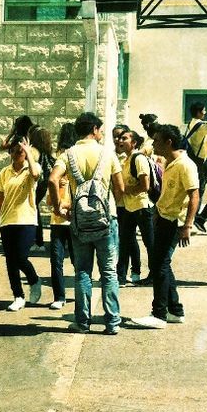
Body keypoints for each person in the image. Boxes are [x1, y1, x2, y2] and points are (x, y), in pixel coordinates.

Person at [49, 111, 124, 335]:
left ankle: (82, 322)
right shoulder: (107, 154)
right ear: (94, 129)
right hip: (106, 219)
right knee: (109, 272)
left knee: (82, 271)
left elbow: (53, 179)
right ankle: (112, 322)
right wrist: (111, 203)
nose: (101, 134)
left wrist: (58, 208)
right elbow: (120, 189)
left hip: (79, 222)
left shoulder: (68, 154)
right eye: (100, 130)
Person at [131, 124, 200, 329]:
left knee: (159, 265)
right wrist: (157, 211)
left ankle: (159, 314)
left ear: (169, 142)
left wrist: (187, 225)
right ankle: (175, 310)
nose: (153, 144)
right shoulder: (170, 162)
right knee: (162, 264)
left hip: (174, 222)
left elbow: (194, 195)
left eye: (157, 141)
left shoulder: (185, 165)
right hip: (163, 218)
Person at [0, 135, 42, 312]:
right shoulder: (5, 172)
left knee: (20, 258)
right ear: (10, 153)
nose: (19, 154)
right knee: (10, 262)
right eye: (16, 151)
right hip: (7, 221)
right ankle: (18, 296)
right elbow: (0, 198)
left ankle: (34, 280)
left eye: (22, 151)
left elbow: (36, 175)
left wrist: (29, 153)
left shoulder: (32, 168)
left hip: (27, 220)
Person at [117, 128, 155, 286]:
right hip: (129, 207)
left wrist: (125, 190)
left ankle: (155, 274)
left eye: (124, 138)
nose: (120, 141)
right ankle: (120, 276)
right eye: (120, 138)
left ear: (134, 143)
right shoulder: (126, 159)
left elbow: (145, 185)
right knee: (124, 241)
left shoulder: (138, 159)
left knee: (149, 242)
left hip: (141, 207)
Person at [47, 121, 76, 311]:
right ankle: (60, 296)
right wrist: (60, 206)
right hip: (59, 220)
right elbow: (50, 200)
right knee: (57, 260)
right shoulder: (59, 167)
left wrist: (63, 205)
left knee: (77, 260)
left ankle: (67, 296)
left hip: (71, 218)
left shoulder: (73, 167)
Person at [29, 124, 55, 247]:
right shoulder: (47, 151)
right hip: (43, 185)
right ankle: (38, 240)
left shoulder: (33, 151)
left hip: (35, 184)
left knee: (33, 209)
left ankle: (37, 241)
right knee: (35, 208)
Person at [183, 100, 207, 184]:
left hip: (191, 154)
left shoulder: (190, 123)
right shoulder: (203, 125)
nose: (205, 112)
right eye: (204, 110)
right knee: (201, 180)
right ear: (198, 112)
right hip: (200, 157)